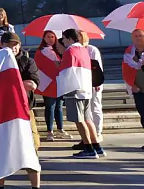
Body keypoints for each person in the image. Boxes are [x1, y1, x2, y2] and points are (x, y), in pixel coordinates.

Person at [0, 33, 50, 189]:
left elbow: (33, 84)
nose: (13, 48)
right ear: (2, 45)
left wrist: (9, 81)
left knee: (32, 150)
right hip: (2, 113)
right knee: (1, 152)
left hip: (24, 111)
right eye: (9, 44)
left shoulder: (27, 62)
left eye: (16, 45)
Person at [58, 29, 104, 159]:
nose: (63, 41)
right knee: (88, 119)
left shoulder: (70, 51)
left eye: (64, 38)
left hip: (74, 88)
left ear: (69, 39)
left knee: (79, 120)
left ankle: (88, 148)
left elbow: (66, 70)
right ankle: (97, 146)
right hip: (86, 87)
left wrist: (59, 67)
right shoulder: (84, 49)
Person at [34, 31, 69, 142]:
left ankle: (60, 129)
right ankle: (50, 131)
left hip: (59, 82)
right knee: (50, 107)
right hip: (48, 83)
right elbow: (39, 67)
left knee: (59, 106)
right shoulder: (40, 52)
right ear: (43, 38)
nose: (50, 39)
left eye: (52, 37)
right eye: (48, 37)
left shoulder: (59, 51)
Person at [80, 32, 104, 146]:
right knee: (87, 110)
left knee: (95, 107)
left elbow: (96, 67)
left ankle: (98, 132)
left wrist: (96, 82)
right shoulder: (77, 50)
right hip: (83, 83)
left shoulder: (91, 49)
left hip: (94, 82)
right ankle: (90, 133)